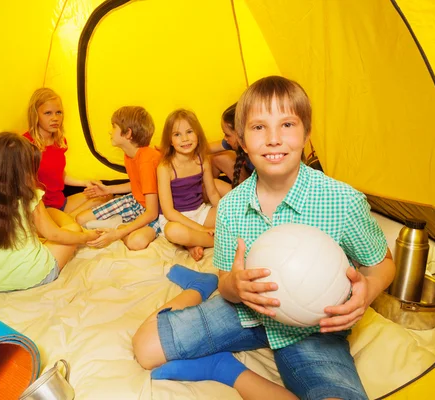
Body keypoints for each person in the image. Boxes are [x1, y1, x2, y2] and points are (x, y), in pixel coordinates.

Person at [131, 76, 396, 400]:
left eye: (287, 124)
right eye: (259, 128)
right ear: (241, 140)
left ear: (307, 134)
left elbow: (382, 263)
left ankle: (230, 372)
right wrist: (232, 286)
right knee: (144, 348)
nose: (273, 138)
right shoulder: (230, 207)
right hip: (247, 313)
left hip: (315, 330)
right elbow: (227, 278)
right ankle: (199, 291)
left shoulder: (342, 201)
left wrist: (365, 294)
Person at [0, 132, 100, 292]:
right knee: (72, 230)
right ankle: (67, 218)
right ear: (22, 171)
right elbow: (54, 235)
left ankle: (59, 217)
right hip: (34, 275)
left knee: (45, 224)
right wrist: (86, 236)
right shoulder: (30, 197)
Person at [76, 106, 161, 251]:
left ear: (128, 133)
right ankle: (122, 224)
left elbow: (152, 212)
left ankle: (120, 226)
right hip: (135, 201)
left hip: (156, 211)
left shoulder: (147, 160)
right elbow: (137, 184)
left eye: (113, 127)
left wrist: (119, 232)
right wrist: (108, 189)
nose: (110, 131)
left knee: (136, 242)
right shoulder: (129, 154)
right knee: (80, 219)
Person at [24, 88, 107, 217]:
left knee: (105, 195)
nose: (55, 118)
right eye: (48, 113)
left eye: (58, 113)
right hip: (43, 209)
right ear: (35, 114)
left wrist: (85, 183)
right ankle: (69, 220)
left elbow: (59, 175)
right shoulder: (25, 144)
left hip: (61, 203)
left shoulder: (60, 141)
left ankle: (70, 217)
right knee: (71, 226)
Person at [157, 109, 221, 262]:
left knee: (233, 213)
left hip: (200, 211)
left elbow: (212, 194)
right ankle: (217, 241)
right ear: (170, 141)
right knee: (174, 232)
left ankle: (193, 242)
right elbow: (169, 212)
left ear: (197, 134)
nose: (184, 139)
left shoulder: (202, 160)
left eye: (189, 132)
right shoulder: (165, 168)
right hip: (177, 218)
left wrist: (225, 214)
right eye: (177, 134)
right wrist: (202, 229)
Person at [209, 103, 255, 196]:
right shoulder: (235, 141)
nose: (225, 138)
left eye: (227, 135)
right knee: (218, 158)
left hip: (260, 195)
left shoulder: (258, 151)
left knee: (214, 185)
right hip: (252, 183)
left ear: (239, 133)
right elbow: (205, 148)